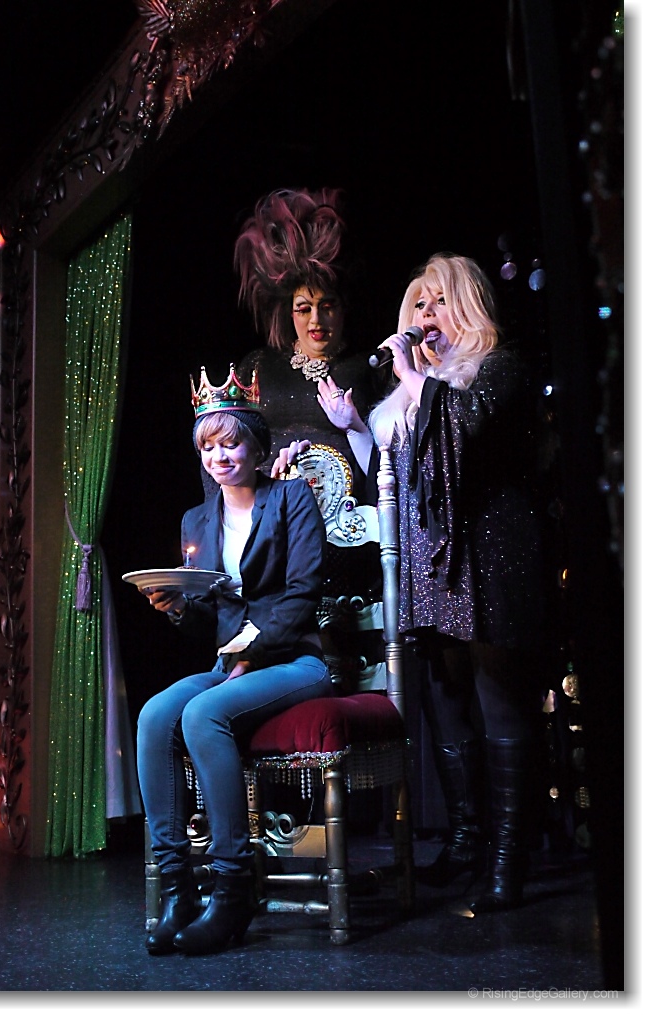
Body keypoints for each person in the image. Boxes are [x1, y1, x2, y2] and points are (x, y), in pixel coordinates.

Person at [281, 252, 549, 914]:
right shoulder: (411, 395)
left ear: (468, 305)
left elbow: (463, 432)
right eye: (418, 305)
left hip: (490, 558)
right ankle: (465, 841)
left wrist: (413, 378)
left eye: (438, 302)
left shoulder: (498, 369)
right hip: (431, 570)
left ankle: (508, 859)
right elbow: (395, 478)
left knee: (499, 704)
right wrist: (354, 427)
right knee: (448, 704)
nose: (425, 316)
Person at [136, 366, 332, 956]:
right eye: (208, 447)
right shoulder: (197, 520)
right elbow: (208, 621)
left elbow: (303, 593)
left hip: (295, 662)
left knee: (203, 714)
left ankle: (232, 888)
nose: (219, 457)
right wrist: (176, 607)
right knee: (154, 716)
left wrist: (254, 648)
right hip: (231, 668)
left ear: (256, 447)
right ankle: (178, 888)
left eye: (231, 443)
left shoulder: (291, 498)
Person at [233, 187, 386, 694]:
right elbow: (227, 449)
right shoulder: (260, 367)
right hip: (278, 537)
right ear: (288, 312)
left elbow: (388, 456)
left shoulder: (367, 369)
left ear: (343, 309)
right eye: (304, 308)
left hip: (354, 541)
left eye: (327, 306)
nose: (316, 320)